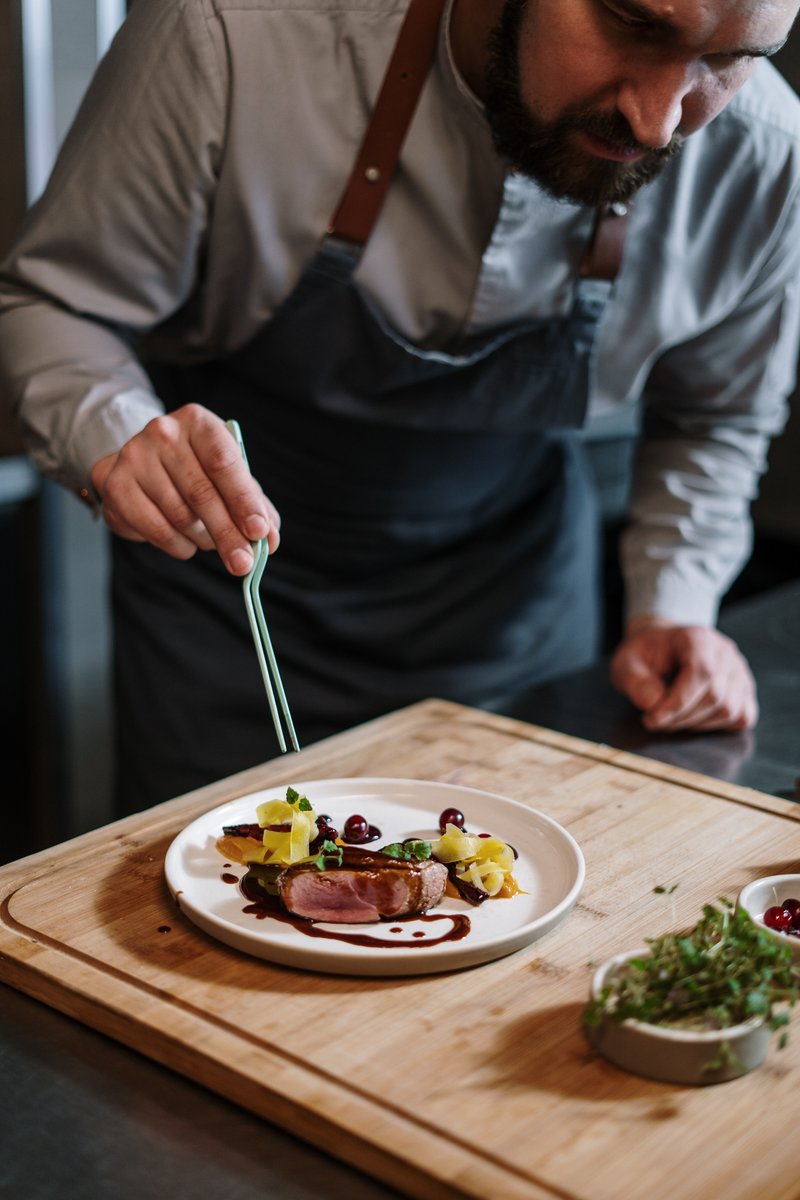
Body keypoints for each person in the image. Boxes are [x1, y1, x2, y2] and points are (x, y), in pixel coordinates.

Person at [1, 0, 799, 811]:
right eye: (636, 23)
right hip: (233, 626)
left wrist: (675, 603)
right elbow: (61, 304)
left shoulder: (765, 151)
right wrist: (121, 433)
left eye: (731, 58)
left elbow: (715, 416)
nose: (661, 122)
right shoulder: (230, 35)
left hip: (517, 629)